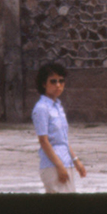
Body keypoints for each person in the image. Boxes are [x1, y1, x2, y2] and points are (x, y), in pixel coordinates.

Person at [32, 61, 87, 193]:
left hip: (66, 162)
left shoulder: (58, 107)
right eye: (53, 81)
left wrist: (76, 161)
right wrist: (59, 166)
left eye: (61, 81)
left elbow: (63, 140)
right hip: (53, 166)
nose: (58, 85)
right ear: (44, 84)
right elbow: (44, 141)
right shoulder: (41, 108)